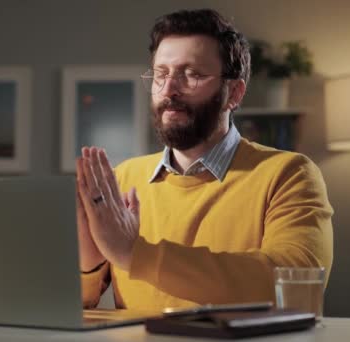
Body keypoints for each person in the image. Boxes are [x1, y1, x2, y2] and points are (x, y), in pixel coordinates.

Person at [75, 8, 333, 311]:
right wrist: (88, 265)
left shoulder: (289, 175)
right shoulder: (122, 178)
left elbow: (293, 283)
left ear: (234, 93)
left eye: (193, 74)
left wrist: (135, 254)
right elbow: (75, 305)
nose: (169, 89)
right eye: (161, 74)